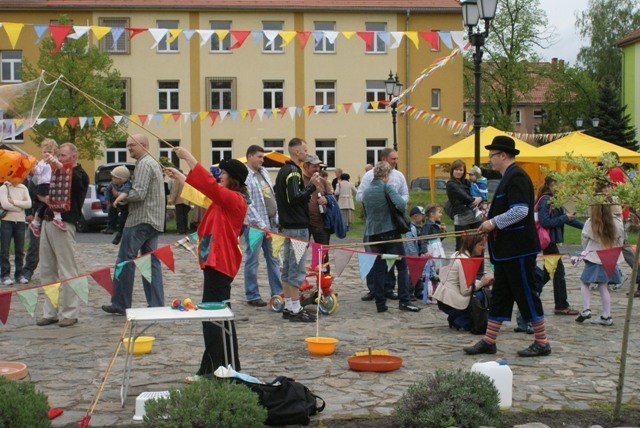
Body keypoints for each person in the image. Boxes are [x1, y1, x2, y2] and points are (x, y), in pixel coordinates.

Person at [464, 136, 550, 357]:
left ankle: (542, 341)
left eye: (492, 156)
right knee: (501, 295)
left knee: (526, 293)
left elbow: (520, 211)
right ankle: (489, 340)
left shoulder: (517, 176)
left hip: (518, 249)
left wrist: (492, 223)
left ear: (503, 155)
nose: (490, 161)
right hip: (505, 251)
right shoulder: (508, 177)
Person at [166, 147, 248, 379]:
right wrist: (181, 177)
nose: (219, 175)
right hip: (217, 263)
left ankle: (212, 370)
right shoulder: (225, 199)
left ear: (232, 179)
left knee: (213, 319)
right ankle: (229, 367)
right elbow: (205, 193)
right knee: (220, 317)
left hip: (220, 264)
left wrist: (189, 158)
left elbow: (210, 187)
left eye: (222, 173)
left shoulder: (234, 199)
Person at [102, 134, 165, 315]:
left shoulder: (145, 164)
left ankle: (120, 304)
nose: (129, 148)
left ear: (144, 146)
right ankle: (156, 304)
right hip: (153, 220)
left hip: (140, 219)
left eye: (132, 146)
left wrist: (119, 198)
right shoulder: (151, 163)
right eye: (128, 146)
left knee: (125, 261)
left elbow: (138, 193)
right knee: (150, 262)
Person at [36, 143, 89, 327]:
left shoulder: (80, 174)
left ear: (73, 157)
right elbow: (41, 192)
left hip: (65, 223)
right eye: (59, 155)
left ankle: (70, 312)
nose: (60, 158)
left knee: (68, 270)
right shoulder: (54, 172)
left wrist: (58, 167)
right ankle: (50, 312)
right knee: (47, 270)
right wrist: (43, 198)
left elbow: (73, 183)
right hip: (48, 220)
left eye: (63, 155)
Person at [274, 138, 323, 322]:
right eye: (304, 150)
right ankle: (295, 309)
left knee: (287, 268)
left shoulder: (283, 171)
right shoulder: (294, 172)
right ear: (297, 152)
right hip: (297, 227)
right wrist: (311, 185)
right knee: (296, 268)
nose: (306, 153)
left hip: (288, 225)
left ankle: (289, 305)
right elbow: (295, 198)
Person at [363, 161, 420, 313]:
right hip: (390, 232)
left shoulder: (367, 191)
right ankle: (404, 300)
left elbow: (366, 211)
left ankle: (380, 303)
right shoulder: (387, 187)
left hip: (373, 233)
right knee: (402, 266)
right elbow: (401, 204)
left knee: (379, 268)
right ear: (387, 175)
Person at [357, 149, 409, 301]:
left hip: (391, 222)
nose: (395, 161)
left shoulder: (399, 176)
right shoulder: (370, 177)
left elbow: (405, 196)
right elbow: (360, 195)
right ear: (384, 159)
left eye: (397, 158)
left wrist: (395, 203)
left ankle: (387, 289)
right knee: (374, 259)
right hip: (375, 224)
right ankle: (374, 289)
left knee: (388, 260)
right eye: (393, 158)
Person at [536, 175, 583, 315]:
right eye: (557, 185)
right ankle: (560, 305)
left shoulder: (554, 200)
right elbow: (545, 222)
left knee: (550, 272)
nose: (559, 187)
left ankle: (533, 291)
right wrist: (564, 218)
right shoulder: (545, 200)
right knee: (557, 272)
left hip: (550, 241)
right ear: (550, 185)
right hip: (548, 242)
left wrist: (587, 226)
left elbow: (567, 219)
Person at [243, 145, 283, 307]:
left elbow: (272, 195)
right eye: (259, 156)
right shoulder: (245, 176)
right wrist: (261, 224)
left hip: (271, 223)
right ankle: (252, 294)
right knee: (252, 260)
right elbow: (248, 203)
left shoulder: (264, 172)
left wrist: (276, 218)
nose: (262, 160)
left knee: (274, 259)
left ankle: (277, 292)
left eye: (262, 157)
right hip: (255, 226)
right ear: (250, 156)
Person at [575, 202, 624, 326]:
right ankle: (606, 316)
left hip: (595, 257)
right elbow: (621, 240)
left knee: (584, 282)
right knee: (603, 285)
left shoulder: (591, 223)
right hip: (610, 256)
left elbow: (584, 239)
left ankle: (586, 309)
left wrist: (585, 253)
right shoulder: (617, 222)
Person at [434, 234, 493, 331]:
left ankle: (456, 318)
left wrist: (482, 282)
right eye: (481, 245)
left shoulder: (458, 254)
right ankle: (461, 320)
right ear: (472, 245)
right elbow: (465, 290)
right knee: (480, 295)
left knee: (480, 292)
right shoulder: (465, 260)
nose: (483, 248)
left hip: (444, 298)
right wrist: (482, 283)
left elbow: (465, 282)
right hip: (450, 301)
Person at [28, 139, 66, 236]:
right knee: (51, 200)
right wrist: (33, 167)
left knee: (44, 205)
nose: (47, 154)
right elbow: (37, 172)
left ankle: (35, 222)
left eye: (49, 152)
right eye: (45, 152)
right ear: (41, 152)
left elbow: (61, 168)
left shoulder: (55, 161)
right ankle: (57, 218)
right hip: (44, 185)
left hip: (52, 184)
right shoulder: (42, 163)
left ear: (54, 152)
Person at [302, 154, 333, 268]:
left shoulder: (323, 181)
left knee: (322, 255)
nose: (317, 169)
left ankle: (323, 283)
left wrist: (327, 199)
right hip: (303, 224)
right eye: (314, 166)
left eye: (318, 166)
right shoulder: (299, 179)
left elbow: (331, 198)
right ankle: (300, 282)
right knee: (299, 254)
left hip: (320, 223)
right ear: (306, 166)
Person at [446, 159, 482, 251]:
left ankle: (478, 265)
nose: (458, 172)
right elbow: (463, 195)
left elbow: (478, 190)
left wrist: (480, 198)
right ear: (452, 170)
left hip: (475, 216)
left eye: (461, 170)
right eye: (456, 169)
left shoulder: (467, 182)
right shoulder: (451, 184)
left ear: (464, 171)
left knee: (477, 244)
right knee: (461, 246)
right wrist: (474, 200)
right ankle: (459, 265)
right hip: (462, 217)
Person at [0, 180, 32, 285]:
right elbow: (5, 205)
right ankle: (5, 275)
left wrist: (14, 202)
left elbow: (29, 204)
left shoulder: (23, 188)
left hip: (21, 221)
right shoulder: (4, 188)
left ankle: (19, 274)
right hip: (7, 221)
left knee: (20, 250)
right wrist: (20, 207)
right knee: (5, 250)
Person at [421, 203, 447, 303]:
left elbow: (439, 239)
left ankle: (436, 293)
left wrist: (443, 232)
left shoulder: (436, 225)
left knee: (437, 273)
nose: (441, 214)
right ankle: (430, 294)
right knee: (430, 273)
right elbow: (423, 240)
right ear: (432, 214)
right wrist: (425, 251)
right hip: (431, 252)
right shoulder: (427, 226)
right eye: (439, 212)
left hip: (437, 251)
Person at [104, 166, 132, 245]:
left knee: (122, 220)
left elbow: (125, 193)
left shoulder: (127, 184)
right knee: (111, 212)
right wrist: (107, 200)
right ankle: (110, 227)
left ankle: (119, 234)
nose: (112, 179)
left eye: (115, 177)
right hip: (116, 203)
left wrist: (117, 199)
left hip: (125, 204)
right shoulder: (112, 184)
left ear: (122, 178)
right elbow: (107, 190)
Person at [22, 175, 40, 283]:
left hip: (54, 217)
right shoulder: (37, 178)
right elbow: (30, 196)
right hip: (37, 216)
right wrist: (29, 213)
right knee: (34, 246)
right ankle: (28, 270)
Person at [404, 206, 425, 300]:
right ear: (415, 216)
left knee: (420, 273)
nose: (423, 217)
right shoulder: (410, 228)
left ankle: (419, 291)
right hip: (413, 254)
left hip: (420, 253)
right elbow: (409, 242)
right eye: (422, 215)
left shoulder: (420, 228)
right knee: (413, 273)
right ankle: (409, 292)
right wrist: (414, 254)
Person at [168, 170, 191, 235]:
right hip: (186, 200)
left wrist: (172, 200)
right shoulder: (186, 180)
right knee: (185, 216)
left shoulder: (177, 180)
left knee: (179, 216)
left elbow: (175, 191)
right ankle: (186, 229)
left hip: (179, 200)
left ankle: (180, 230)